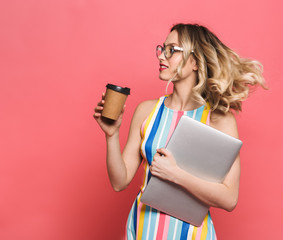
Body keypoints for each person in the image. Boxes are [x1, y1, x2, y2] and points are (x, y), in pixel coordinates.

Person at [93, 23, 266, 239]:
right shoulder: (147, 110)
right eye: (162, 49)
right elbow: (119, 182)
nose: (162, 56)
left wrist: (175, 174)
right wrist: (112, 135)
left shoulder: (219, 119)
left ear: (194, 61)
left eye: (172, 50)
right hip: (143, 230)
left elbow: (230, 198)